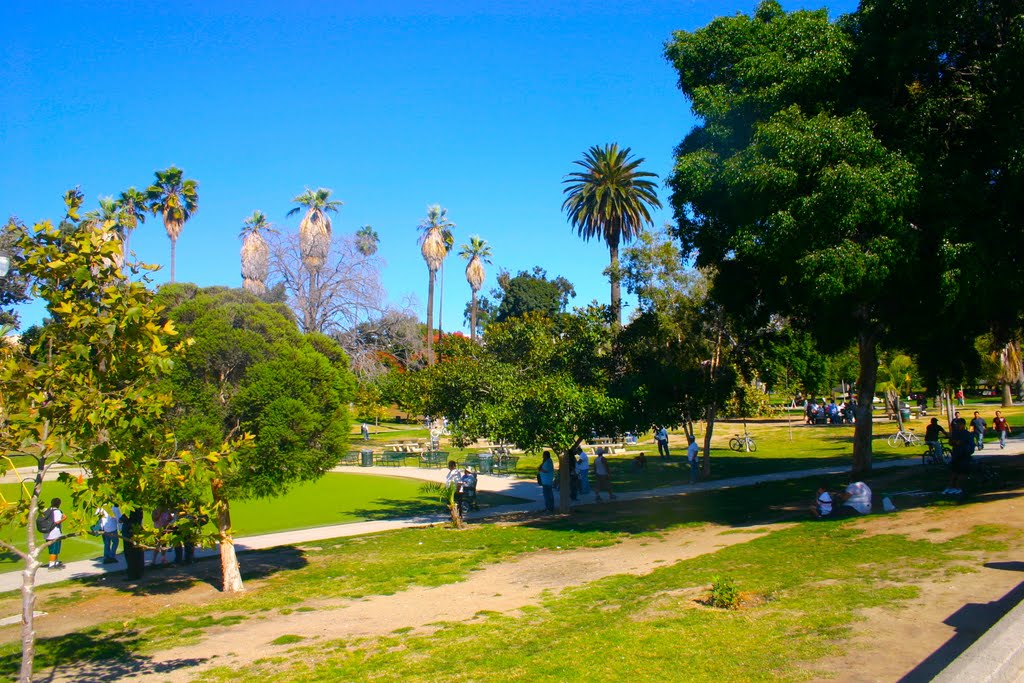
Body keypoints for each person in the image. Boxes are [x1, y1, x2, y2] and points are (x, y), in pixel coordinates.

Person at [944, 425, 974, 495]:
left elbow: (970, 445)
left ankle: (958, 487)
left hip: (964, 455)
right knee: (954, 472)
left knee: (962, 472)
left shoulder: (967, 434)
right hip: (956, 455)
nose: (957, 427)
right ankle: (951, 487)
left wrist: (968, 451)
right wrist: (955, 442)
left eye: (959, 425)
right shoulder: (955, 433)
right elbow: (950, 442)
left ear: (963, 425)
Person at [121, 508, 145, 580]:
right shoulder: (139, 509)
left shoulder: (130, 510)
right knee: (138, 553)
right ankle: (139, 572)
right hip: (136, 533)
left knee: (131, 555)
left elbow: (122, 519)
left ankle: (132, 574)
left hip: (129, 535)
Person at [44, 498, 67, 570]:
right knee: (54, 550)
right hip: (55, 533)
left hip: (47, 533)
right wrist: (64, 518)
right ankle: (51, 565)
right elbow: (57, 521)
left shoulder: (47, 510)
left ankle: (55, 563)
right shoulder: (57, 511)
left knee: (54, 549)